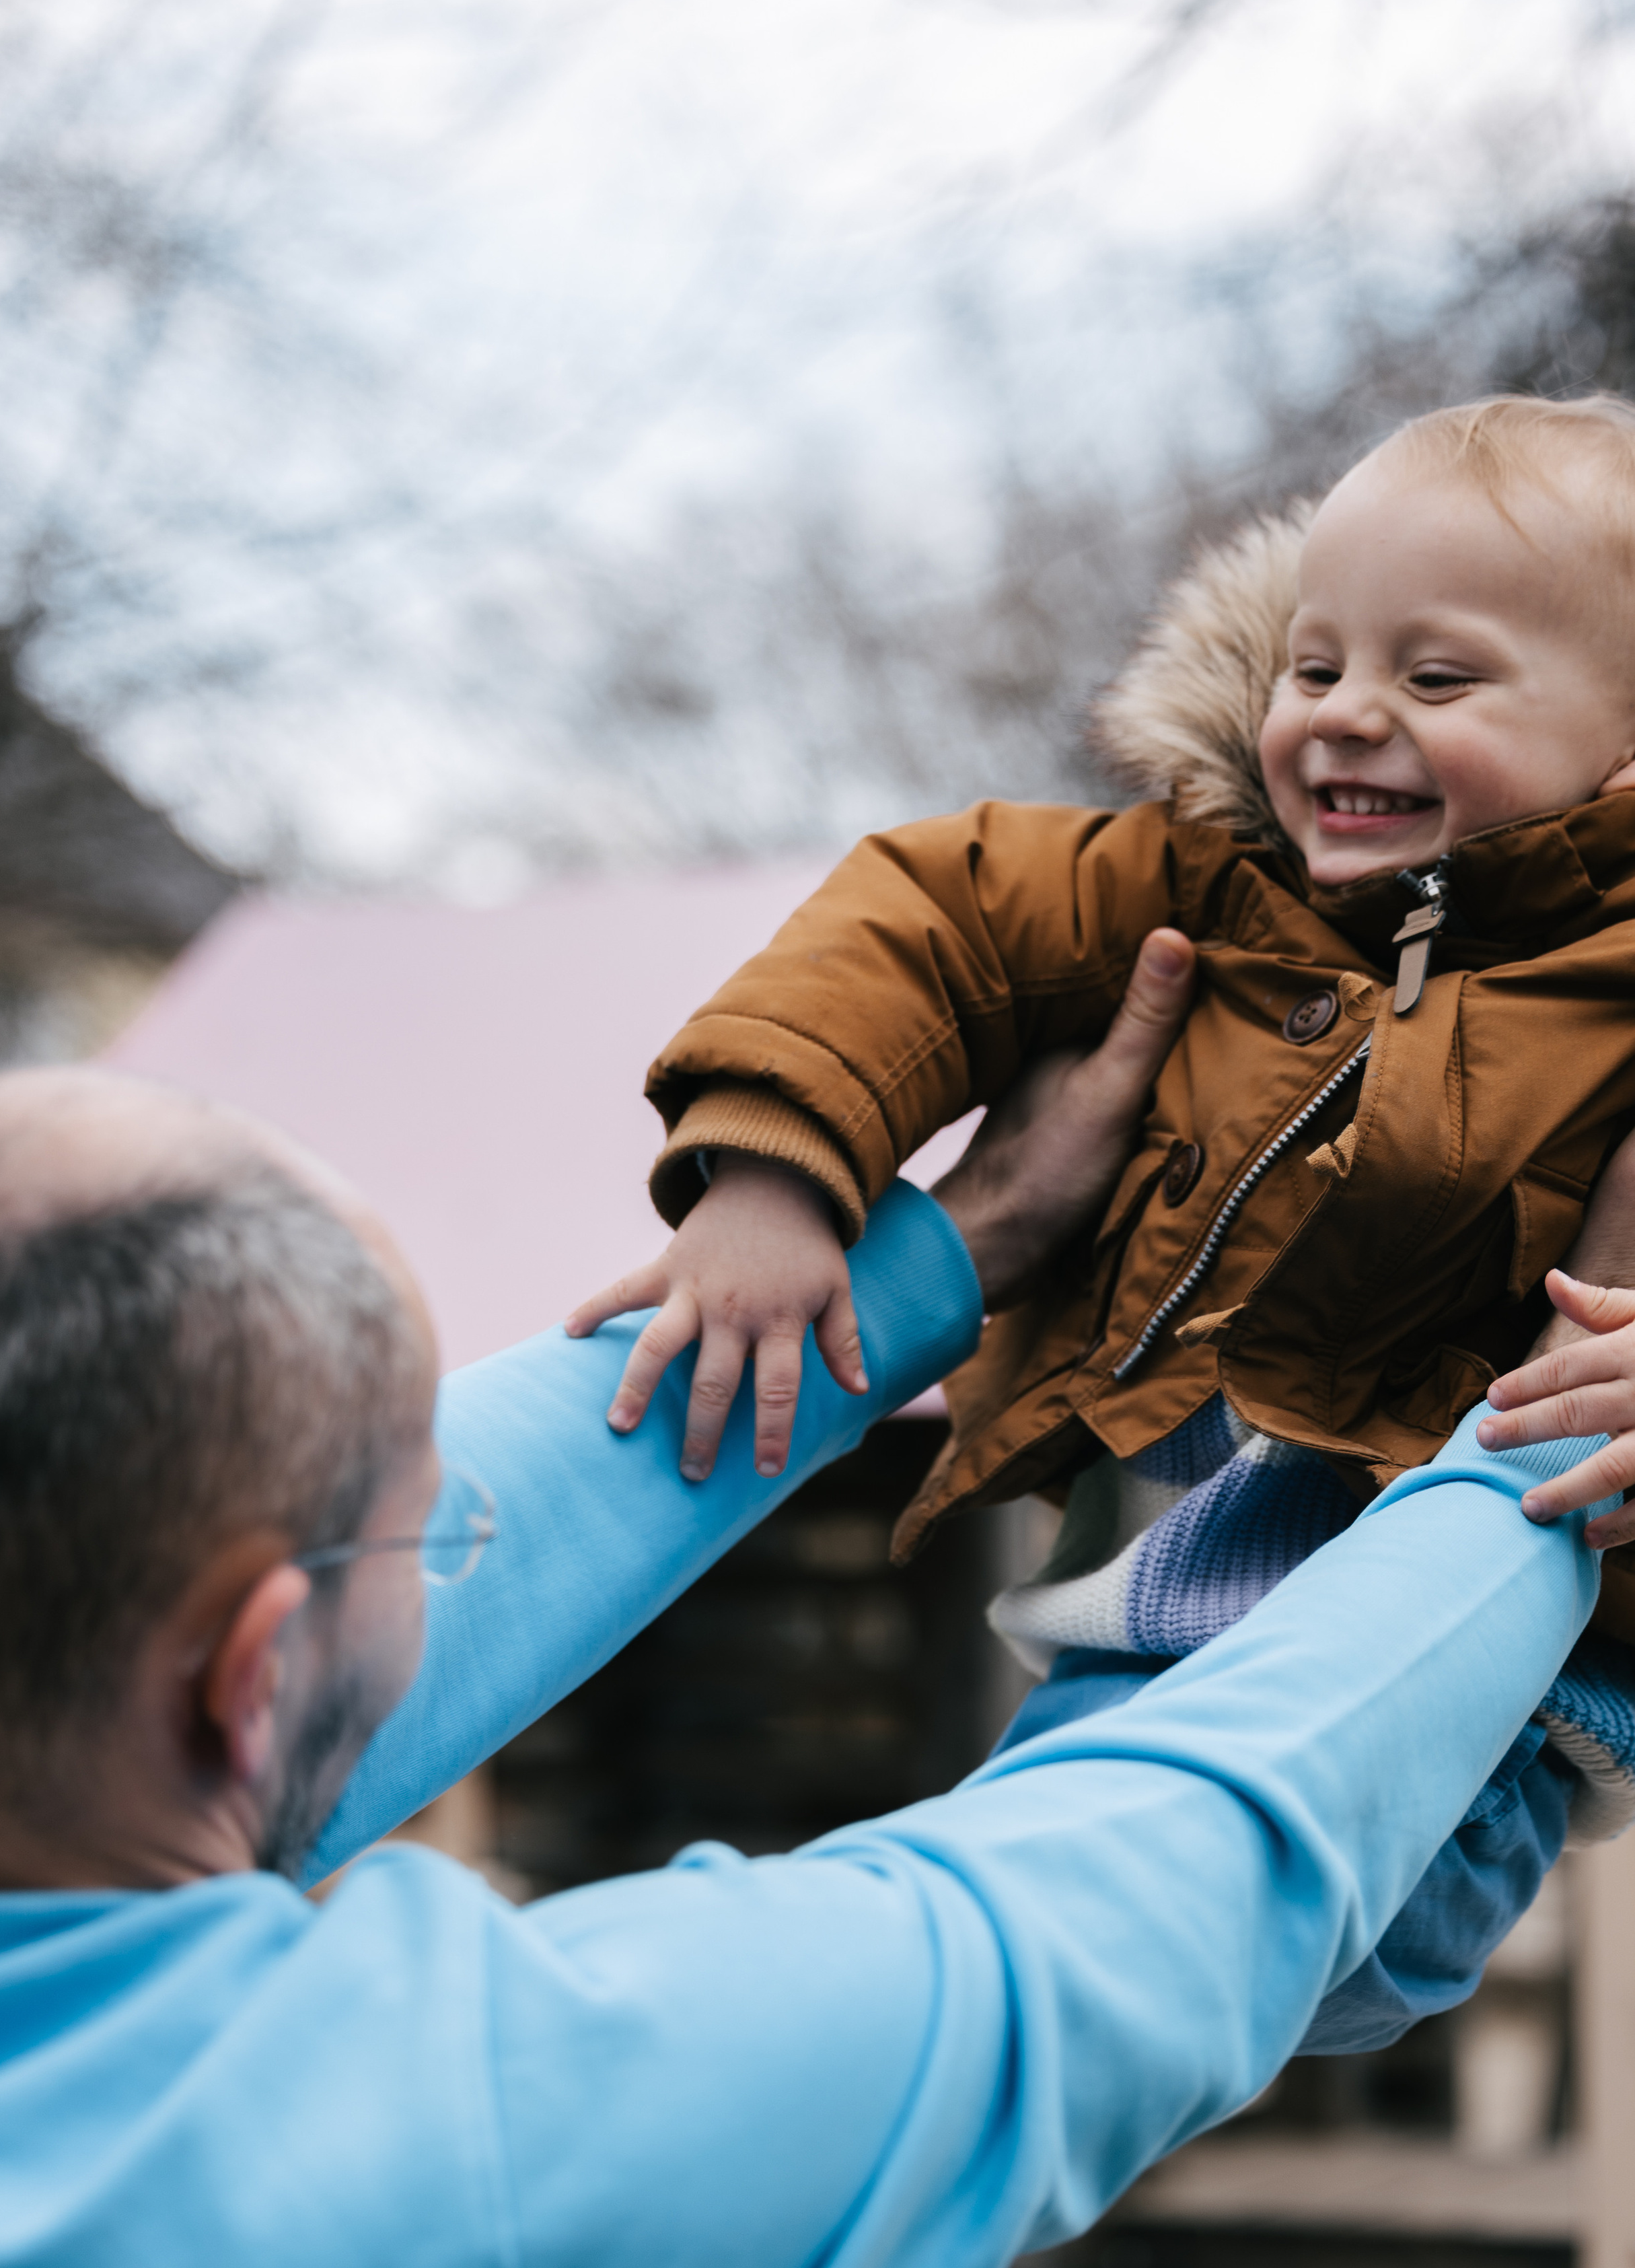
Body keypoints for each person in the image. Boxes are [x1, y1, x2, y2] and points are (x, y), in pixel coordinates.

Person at [0, 1003, 1626, 2268]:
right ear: (255, 1673)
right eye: (415, 1527)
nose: (451, 1547)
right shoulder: (485, 2166)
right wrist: (1549, 1431)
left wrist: (958, 1248)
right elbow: (1180, 1865)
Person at [568, 392, 1635, 1904]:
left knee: (1144, 1918)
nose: (1339, 709)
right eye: (1312, 662)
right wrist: (769, 1175)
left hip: (1495, 1684)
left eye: (1437, 676)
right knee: (1036, 1893)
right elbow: (927, 917)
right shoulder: (1203, 887)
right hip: (1177, 1603)